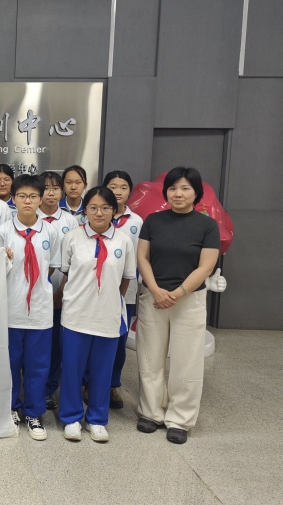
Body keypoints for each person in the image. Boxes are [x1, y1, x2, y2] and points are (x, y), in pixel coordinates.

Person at [135, 167, 220, 444]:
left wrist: (179, 292)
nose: (178, 193)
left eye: (185, 188)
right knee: (150, 356)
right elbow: (142, 257)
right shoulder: (153, 221)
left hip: (189, 299)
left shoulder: (207, 225)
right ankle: (150, 412)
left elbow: (206, 266)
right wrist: (156, 290)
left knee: (187, 359)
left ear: (196, 193)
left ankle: (180, 419)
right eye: (172, 188)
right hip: (153, 296)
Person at [58, 186, 136, 443]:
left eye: (105, 208)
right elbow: (68, 274)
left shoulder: (123, 241)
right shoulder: (72, 237)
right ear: (85, 211)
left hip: (108, 316)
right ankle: (71, 417)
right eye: (93, 207)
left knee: (102, 371)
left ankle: (97, 419)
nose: (99, 213)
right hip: (76, 315)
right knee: (72, 370)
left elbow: (125, 279)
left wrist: (109, 300)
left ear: (113, 210)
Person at [0, 175, 60, 440]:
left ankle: (34, 412)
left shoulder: (50, 232)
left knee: (37, 366)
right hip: (10, 309)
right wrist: (5, 261)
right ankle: (10, 408)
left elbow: (50, 267)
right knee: (9, 363)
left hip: (39, 311)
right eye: (22, 196)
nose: (27, 201)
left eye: (33, 196)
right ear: (13, 199)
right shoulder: (3, 232)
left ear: (41, 199)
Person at [101, 170, 143, 409]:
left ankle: (112, 384)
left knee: (118, 340)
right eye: (113, 186)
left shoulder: (136, 222)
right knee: (94, 338)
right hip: (95, 291)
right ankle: (89, 382)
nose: (118, 191)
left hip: (125, 293)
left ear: (130, 192)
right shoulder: (93, 216)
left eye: (123, 187)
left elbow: (140, 257)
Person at [39, 170, 80, 410]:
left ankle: (49, 389)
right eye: (45, 188)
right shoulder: (28, 216)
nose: (50, 193)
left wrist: (61, 291)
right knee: (35, 344)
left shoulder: (70, 221)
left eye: (55, 188)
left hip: (60, 293)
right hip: (32, 294)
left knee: (55, 344)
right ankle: (30, 387)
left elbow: (74, 260)